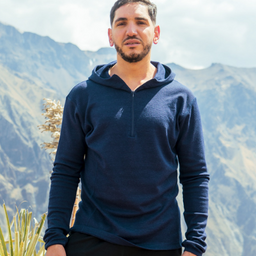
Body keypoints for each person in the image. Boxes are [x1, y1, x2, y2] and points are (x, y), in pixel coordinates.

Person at [43, 0, 210, 255]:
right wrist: (54, 240)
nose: (131, 30)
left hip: (161, 244)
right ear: (111, 36)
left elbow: (195, 175)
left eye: (141, 22)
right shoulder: (83, 96)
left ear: (156, 33)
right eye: (121, 23)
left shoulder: (181, 99)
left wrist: (195, 245)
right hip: (92, 239)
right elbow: (66, 170)